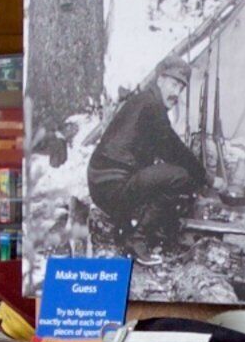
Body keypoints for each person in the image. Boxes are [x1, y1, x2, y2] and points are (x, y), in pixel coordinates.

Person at [88, 63, 208, 248]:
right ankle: (137, 238)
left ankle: (130, 225)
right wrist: (205, 177)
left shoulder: (144, 100)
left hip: (101, 181)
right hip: (111, 187)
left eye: (181, 88)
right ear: (160, 80)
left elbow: (161, 149)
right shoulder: (152, 106)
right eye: (173, 85)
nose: (177, 93)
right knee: (180, 177)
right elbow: (174, 150)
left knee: (164, 175)